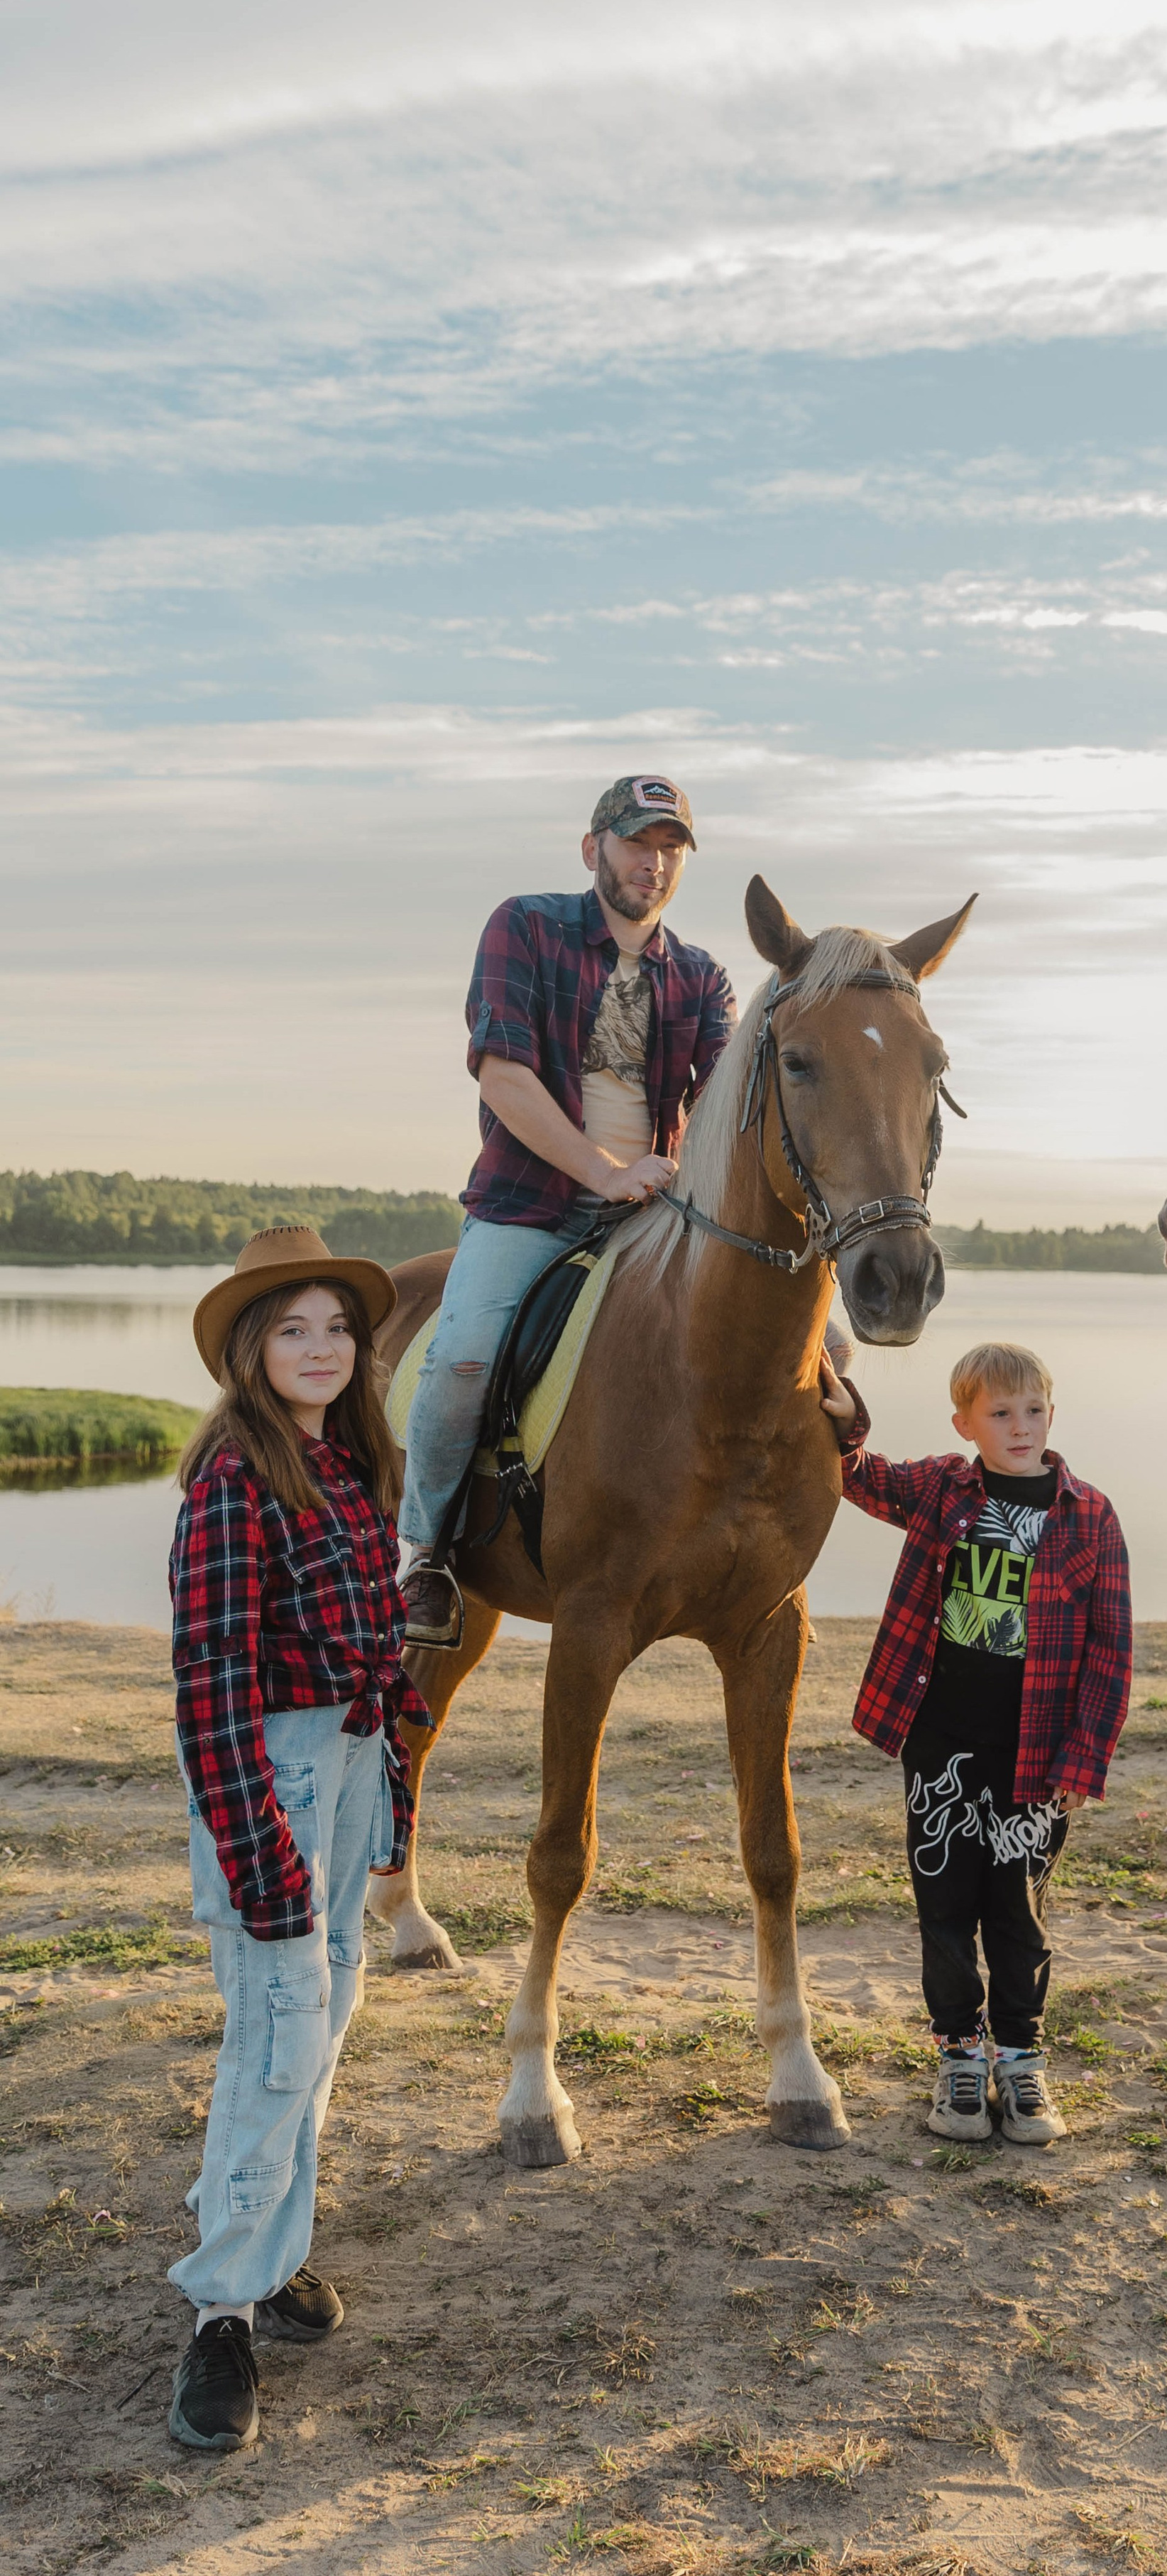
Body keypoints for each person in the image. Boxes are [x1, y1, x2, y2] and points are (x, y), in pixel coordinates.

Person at [166, 1226, 427, 2452]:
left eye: (337, 1327)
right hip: (271, 1766)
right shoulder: (234, 1478)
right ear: (248, 1347)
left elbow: (381, 1644)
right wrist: (262, 1842)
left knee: (325, 2011)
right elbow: (210, 1680)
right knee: (278, 2028)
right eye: (292, 1328)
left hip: (352, 1758)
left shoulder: (358, 1464)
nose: (321, 1348)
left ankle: (273, 2257)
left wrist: (393, 1797)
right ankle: (220, 2309)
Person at [400, 774, 736, 1644]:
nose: (653, 865)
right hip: (530, 1203)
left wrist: (671, 1177)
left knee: (814, 1350)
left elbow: (729, 1108)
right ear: (594, 850)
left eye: (670, 850)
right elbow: (504, 1075)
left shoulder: (699, 976)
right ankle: (423, 1553)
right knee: (464, 1358)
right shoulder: (525, 926)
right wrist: (602, 1168)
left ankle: (760, 1558)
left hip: (652, 1217)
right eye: (636, 844)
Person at [821, 1341, 1132, 2144]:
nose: (1019, 1426)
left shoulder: (1089, 1515)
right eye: (999, 1413)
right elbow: (861, 1475)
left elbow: (1110, 1649)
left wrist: (1082, 1759)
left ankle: (1021, 2061)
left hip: (1036, 1759)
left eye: (1033, 1410)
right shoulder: (940, 1489)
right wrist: (846, 1415)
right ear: (964, 1422)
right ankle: (959, 2054)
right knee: (945, 1907)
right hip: (943, 1746)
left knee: (1017, 1914)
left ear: (1051, 1415)